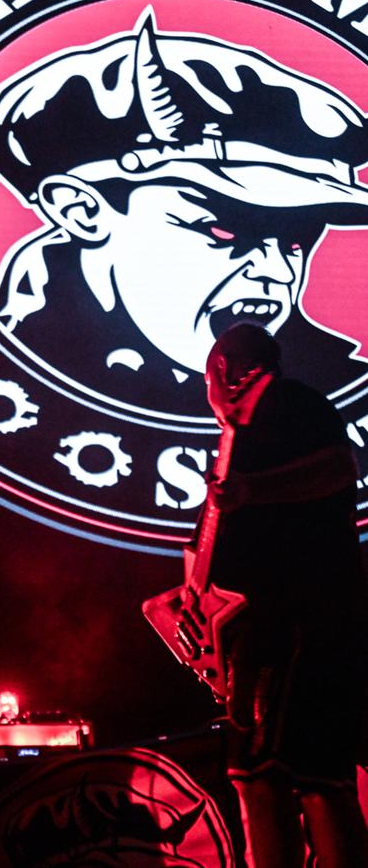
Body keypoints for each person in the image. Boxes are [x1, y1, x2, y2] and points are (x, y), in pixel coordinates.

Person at [0, 11, 368, 414]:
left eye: (296, 242)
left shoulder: (329, 394)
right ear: (81, 211)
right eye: (223, 231)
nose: (279, 271)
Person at [202, 323, 368, 868]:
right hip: (288, 625)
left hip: (295, 624)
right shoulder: (247, 433)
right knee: (310, 776)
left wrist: (252, 490)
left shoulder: (287, 401)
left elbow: (338, 468)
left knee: (269, 775)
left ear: (222, 368)